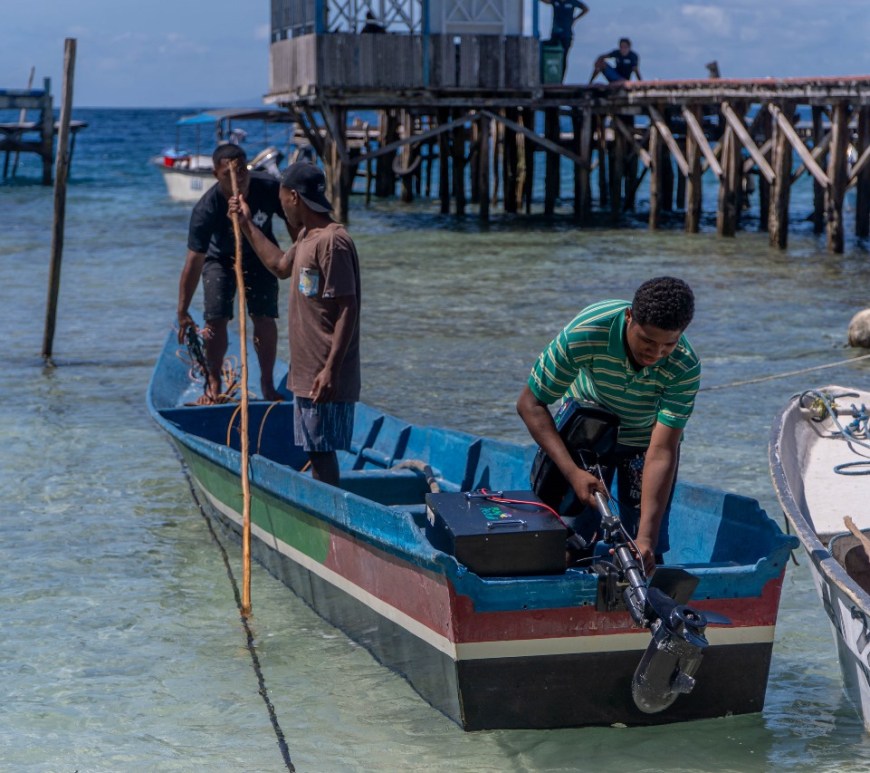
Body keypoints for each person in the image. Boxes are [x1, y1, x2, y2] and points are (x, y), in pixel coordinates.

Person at [516, 277, 699, 575]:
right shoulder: (588, 331)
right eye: (648, 341)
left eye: (668, 344)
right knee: (565, 545)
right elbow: (530, 403)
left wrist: (646, 538)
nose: (655, 354)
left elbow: (662, 450)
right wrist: (572, 472)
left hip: (643, 440)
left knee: (645, 555)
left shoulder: (684, 365)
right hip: (588, 433)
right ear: (629, 317)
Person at [229, 162, 361, 487]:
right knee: (315, 449)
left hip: (324, 372)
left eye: (282, 199)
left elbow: (348, 308)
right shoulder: (306, 237)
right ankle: (324, 510)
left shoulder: (332, 242)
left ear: (293, 197)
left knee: (321, 452)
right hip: (306, 372)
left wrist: (330, 370)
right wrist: (246, 224)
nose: (282, 207)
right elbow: (279, 266)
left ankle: (328, 516)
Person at [177, 143, 295, 404]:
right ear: (215, 175)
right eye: (228, 174)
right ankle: (214, 381)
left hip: (261, 256)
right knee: (216, 319)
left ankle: (267, 383)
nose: (237, 178)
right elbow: (193, 262)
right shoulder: (206, 208)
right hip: (219, 259)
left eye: (242, 170)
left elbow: (293, 218)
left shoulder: (269, 187)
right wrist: (182, 310)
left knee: (264, 317)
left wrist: (302, 253)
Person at [546, 0, 589, 81]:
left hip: (566, 34)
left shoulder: (572, 1)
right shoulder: (555, 1)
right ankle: (551, 76)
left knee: (564, 57)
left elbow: (586, 9)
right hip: (555, 33)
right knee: (552, 54)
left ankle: (561, 79)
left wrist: (575, 18)